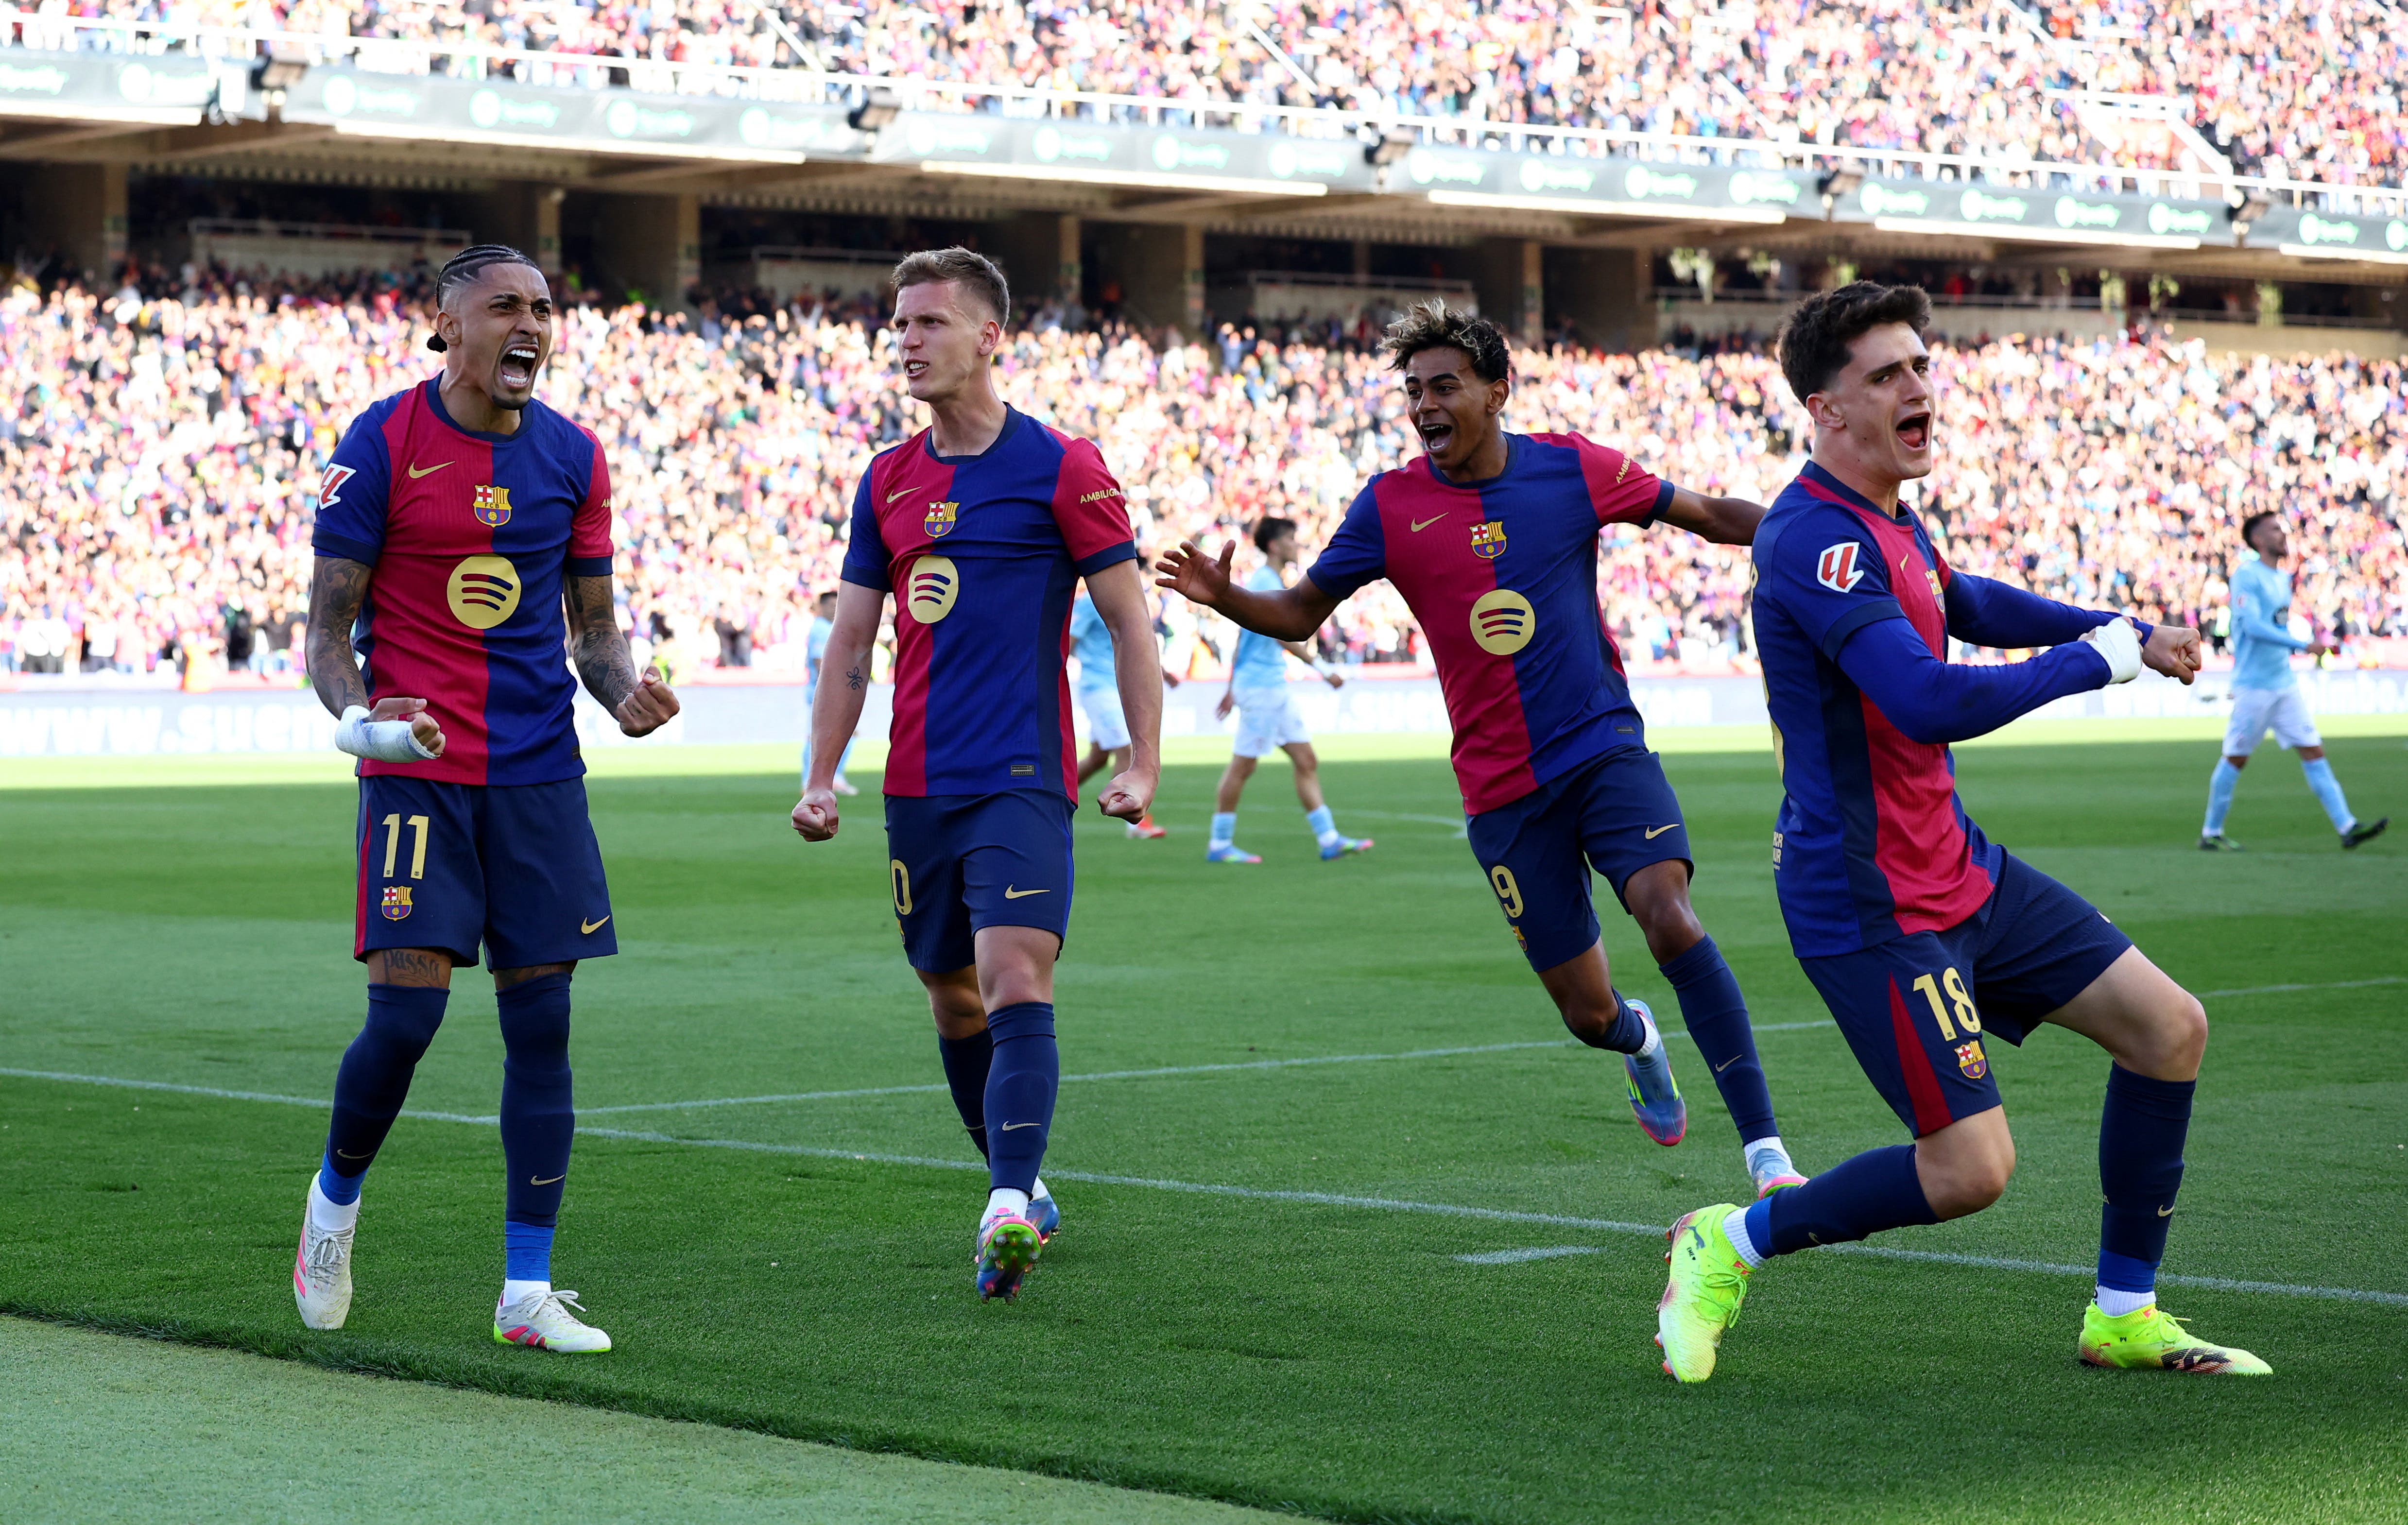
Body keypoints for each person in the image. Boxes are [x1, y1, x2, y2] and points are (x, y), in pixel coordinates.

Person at [1656, 282, 2267, 1383]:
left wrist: (2120, 626)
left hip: (1959, 867)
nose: (1919, 387)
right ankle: (1730, 1239)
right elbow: (1925, 699)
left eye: (1921, 365)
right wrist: (2095, 662)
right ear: (1825, 409)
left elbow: (1964, 601)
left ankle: (2123, 1314)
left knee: (2170, 1028)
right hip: (1869, 901)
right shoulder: (1814, 539)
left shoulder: (1890, 514)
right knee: (1968, 1168)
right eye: (1886, 374)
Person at [1158, 302, 1803, 1193]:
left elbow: (1703, 511)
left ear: (1498, 391)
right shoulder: (1389, 505)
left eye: (1444, 386)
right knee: (1588, 1014)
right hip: (1501, 790)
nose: (1424, 405)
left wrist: (1813, 532)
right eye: (1413, 391)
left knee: (1669, 914)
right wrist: (1224, 596)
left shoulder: (1574, 468)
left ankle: (1767, 1155)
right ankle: (1640, 1040)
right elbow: (1302, 611)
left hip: (1602, 747)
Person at [292, 245, 681, 1354]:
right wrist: (364, 721)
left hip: (538, 774)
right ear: (446, 324)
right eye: (506, 305)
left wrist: (623, 692)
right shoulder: (382, 444)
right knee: (406, 1019)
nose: (532, 324)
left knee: (543, 1025)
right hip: (418, 768)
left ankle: (526, 1291)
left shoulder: (575, 456)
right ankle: (333, 1207)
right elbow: (326, 632)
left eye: (544, 308)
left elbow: (594, 633)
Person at [791, 248, 1163, 1302]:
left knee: (1012, 977)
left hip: (1020, 774)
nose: (906, 341)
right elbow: (852, 642)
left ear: (989, 337)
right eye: (899, 325)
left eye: (928, 323)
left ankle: (1003, 1204)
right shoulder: (887, 479)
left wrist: (1143, 761)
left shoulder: (1063, 465)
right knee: (953, 1000)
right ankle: (1026, 1184)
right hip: (917, 785)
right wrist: (821, 774)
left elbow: (1130, 621)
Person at [2200, 513, 2386, 851]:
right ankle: (2211, 832)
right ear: (2258, 539)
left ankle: (2347, 826)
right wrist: (2302, 645)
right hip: (2254, 686)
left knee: (2313, 750)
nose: (2282, 534)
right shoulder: (2247, 575)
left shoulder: (2282, 578)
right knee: (2236, 757)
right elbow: (2252, 626)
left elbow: (2274, 625)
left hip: (2283, 684)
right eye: (2274, 529)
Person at [1202, 516, 1369, 864]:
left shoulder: (1268, 581)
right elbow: (1281, 634)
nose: (1297, 545)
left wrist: (1232, 686)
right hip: (1261, 688)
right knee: (1243, 767)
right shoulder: (1265, 580)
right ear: (1275, 545)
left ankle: (1329, 839)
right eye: (1291, 539)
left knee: (1306, 760)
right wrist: (1323, 669)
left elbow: (1243, 639)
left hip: (1268, 685)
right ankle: (1219, 843)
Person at [1069, 584, 1171, 838]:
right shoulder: (1090, 602)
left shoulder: (1116, 595)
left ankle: (1053, 797)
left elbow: (1133, 642)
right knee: (1126, 748)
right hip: (1098, 688)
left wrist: (1164, 673)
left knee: (1098, 758)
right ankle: (1134, 825)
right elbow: (1069, 641)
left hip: (1115, 686)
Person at [801, 589, 858, 796]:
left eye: (837, 605)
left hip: (831, 690)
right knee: (822, 736)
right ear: (821, 607)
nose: (835, 609)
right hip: (825, 691)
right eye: (831, 605)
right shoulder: (821, 629)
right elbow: (820, 663)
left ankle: (827, 779)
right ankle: (813, 781)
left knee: (836, 734)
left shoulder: (830, 628)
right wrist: (832, 692)